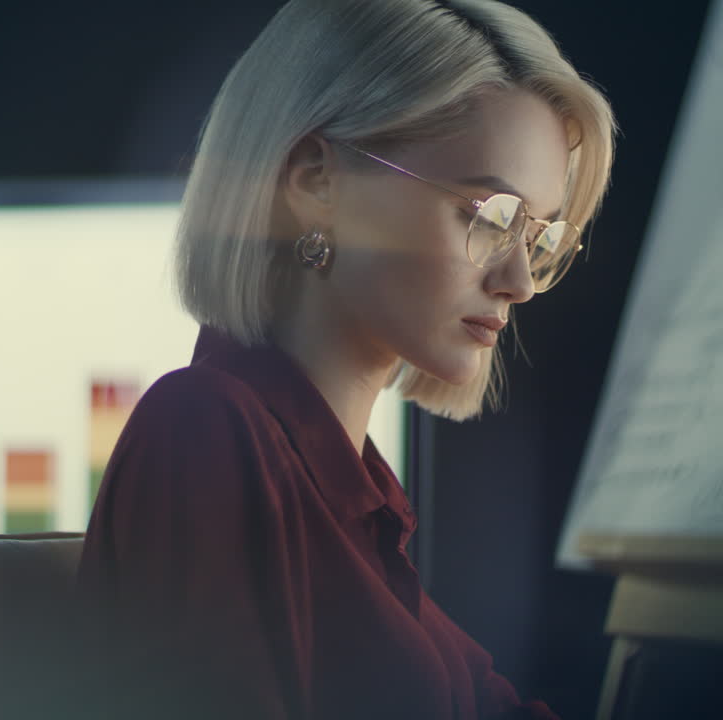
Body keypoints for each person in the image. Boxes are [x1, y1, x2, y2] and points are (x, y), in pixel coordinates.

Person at [76, 0, 615, 718]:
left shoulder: (355, 498)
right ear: (314, 180)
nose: (518, 283)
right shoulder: (203, 430)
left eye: (539, 240)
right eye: (489, 216)